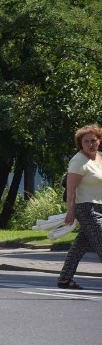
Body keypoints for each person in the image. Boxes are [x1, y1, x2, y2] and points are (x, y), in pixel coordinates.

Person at [57, 124, 102, 290]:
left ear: (99, 141)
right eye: (86, 141)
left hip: (100, 207)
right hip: (86, 209)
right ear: (80, 144)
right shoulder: (78, 160)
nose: (91, 144)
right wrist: (71, 211)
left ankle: (65, 279)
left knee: (80, 246)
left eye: (94, 140)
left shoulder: (100, 158)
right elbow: (71, 189)